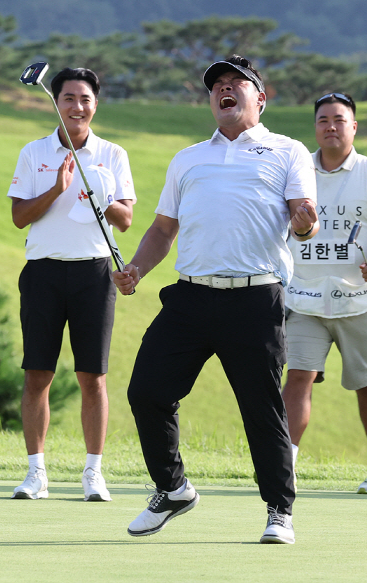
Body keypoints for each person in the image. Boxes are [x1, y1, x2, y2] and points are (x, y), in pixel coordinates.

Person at [113, 55, 318, 544]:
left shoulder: (287, 151)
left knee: (261, 408)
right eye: (217, 86)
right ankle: (173, 487)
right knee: (147, 392)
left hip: (255, 299)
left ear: (260, 99)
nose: (225, 90)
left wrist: (306, 220)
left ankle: (279, 511)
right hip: (191, 297)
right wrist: (137, 268)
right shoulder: (188, 158)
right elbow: (164, 228)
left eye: (237, 84)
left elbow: (302, 220)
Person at [7, 67, 136, 501]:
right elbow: (19, 217)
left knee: (92, 376)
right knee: (37, 373)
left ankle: (93, 473)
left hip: (93, 274)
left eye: (84, 99)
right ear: (56, 103)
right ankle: (35, 473)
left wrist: (100, 193)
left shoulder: (112, 154)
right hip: (43, 270)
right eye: (68, 98)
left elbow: (127, 219)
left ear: (95, 104)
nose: (76, 107)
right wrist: (58, 188)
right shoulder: (34, 152)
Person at [282, 92, 367, 494]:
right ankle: (286, 465)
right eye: (323, 120)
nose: (331, 127)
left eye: (339, 120)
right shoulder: (298, 172)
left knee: (366, 382)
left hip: (359, 298)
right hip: (304, 295)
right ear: (314, 128)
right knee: (298, 375)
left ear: (354, 127)